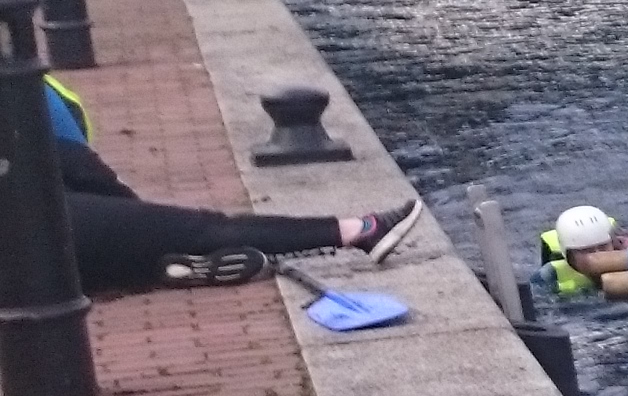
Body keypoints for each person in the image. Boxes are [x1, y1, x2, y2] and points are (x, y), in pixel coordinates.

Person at [44, 73, 420, 293]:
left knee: (107, 257)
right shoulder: (28, 85)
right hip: (36, 231)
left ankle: (163, 266)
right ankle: (357, 230)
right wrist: (133, 212)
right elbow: (78, 164)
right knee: (207, 228)